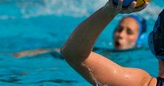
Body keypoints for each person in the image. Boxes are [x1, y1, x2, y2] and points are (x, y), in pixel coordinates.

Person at [13, 14, 147, 58]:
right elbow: (63, 52)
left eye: (129, 32)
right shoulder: (101, 53)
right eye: (119, 29)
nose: (121, 35)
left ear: (140, 38)